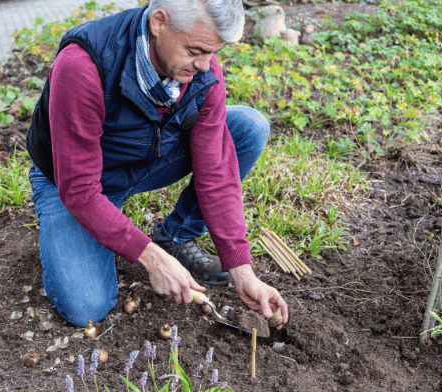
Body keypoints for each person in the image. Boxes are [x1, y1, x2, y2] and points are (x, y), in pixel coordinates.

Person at [25, 0, 289, 329]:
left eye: (213, 52)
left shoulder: (202, 69)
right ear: (159, 23)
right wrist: (151, 258)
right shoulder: (84, 64)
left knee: (248, 128)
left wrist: (242, 269)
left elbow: (217, 172)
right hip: (73, 180)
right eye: (195, 50)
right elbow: (79, 188)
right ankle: (94, 232)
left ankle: (175, 239)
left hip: (143, 161)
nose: (206, 66)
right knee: (86, 307)